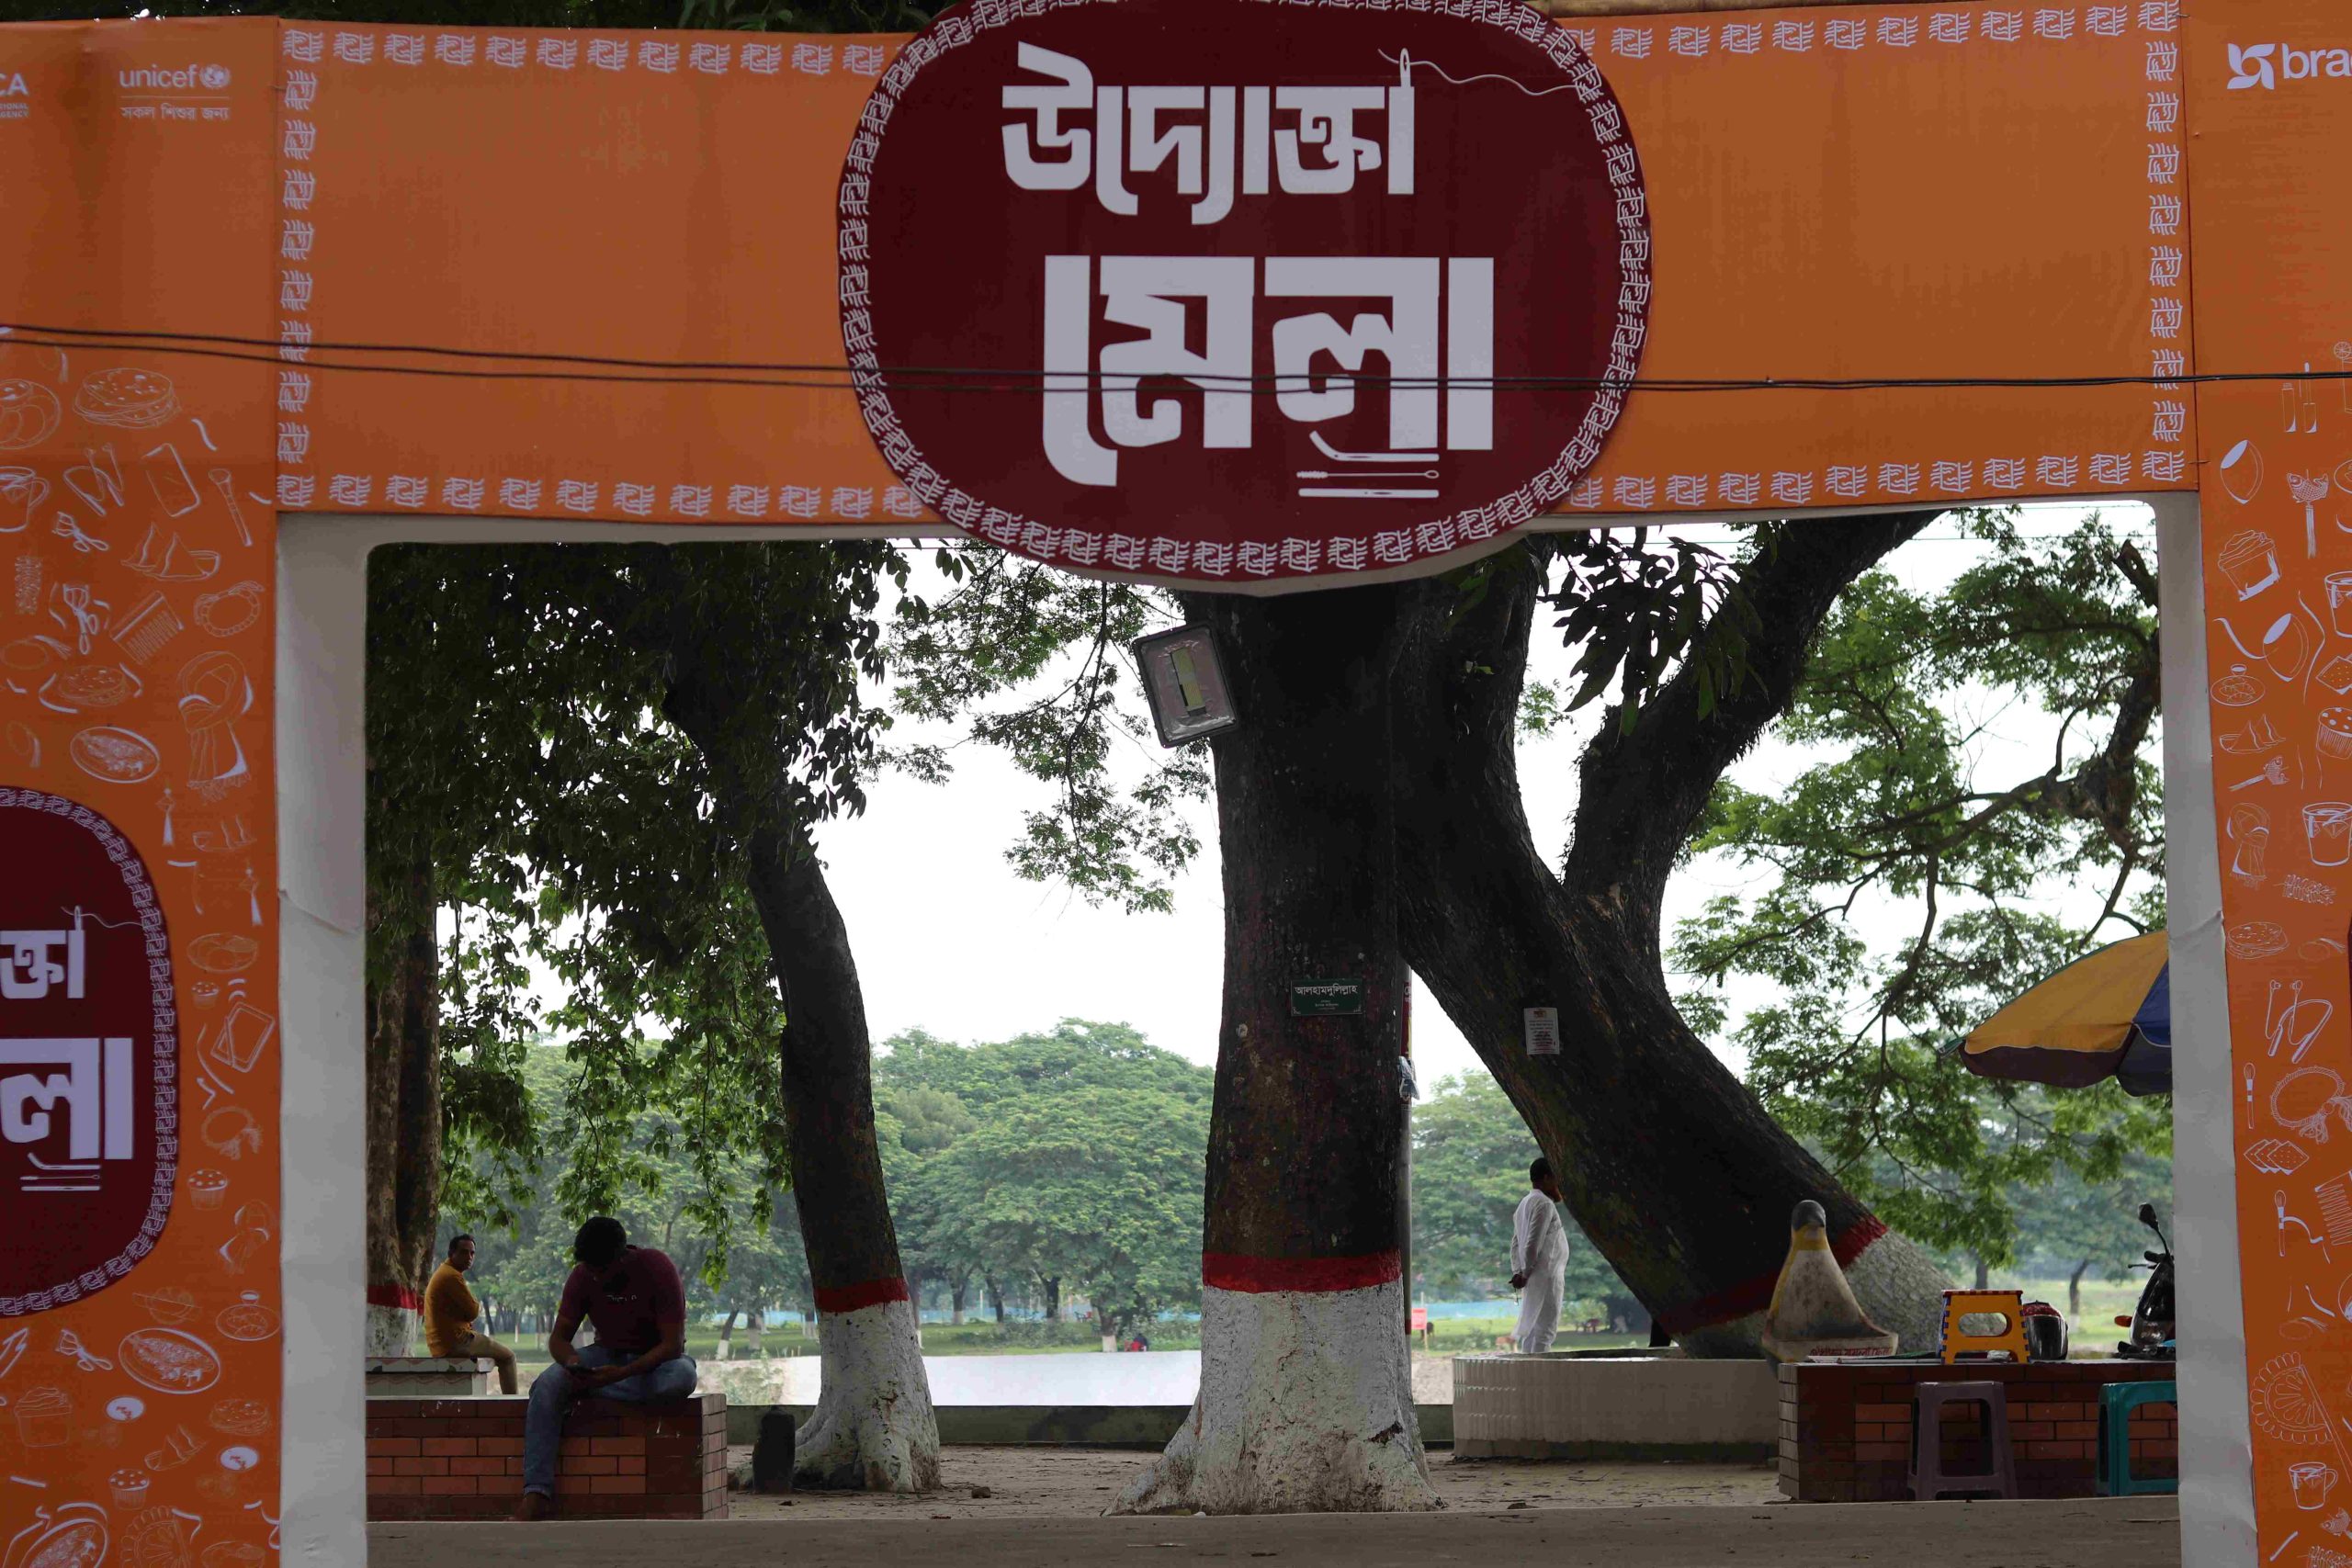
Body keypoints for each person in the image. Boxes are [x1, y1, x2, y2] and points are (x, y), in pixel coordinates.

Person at [517, 1216, 698, 1520]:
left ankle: (595, 1389)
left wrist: (618, 1376)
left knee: (680, 1379)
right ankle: (536, 1492)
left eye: (602, 1269)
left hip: (657, 1361)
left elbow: (673, 1345)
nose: (596, 1276)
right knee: (546, 1385)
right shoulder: (582, 1276)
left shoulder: (657, 1267)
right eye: (590, 1268)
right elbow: (559, 1339)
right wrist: (573, 1363)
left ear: (622, 1256)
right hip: (605, 1355)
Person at [424, 1235, 517, 1395]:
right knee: (508, 1357)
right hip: (456, 1342)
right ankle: (513, 1403)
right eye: (464, 1252)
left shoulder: (445, 1272)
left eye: (472, 1253)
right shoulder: (451, 1276)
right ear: (451, 1253)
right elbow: (473, 1311)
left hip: (442, 1344)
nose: (469, 1257)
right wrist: (475, 1305)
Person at [1510, 1156, 1570, 1354]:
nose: (1558, 1183)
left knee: (1532, 1331)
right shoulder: (1544, 1204)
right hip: (1546, 1276)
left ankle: (1526, 1371)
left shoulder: (1524, 1203)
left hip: (1534, 1276)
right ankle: (1540, 1373)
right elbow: (1532, 1245)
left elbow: (1515, 1244)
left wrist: (1519, 1271)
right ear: (1546, 1178)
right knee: (1545, 1332)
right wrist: (1524, 1273)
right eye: (1555, 1177)